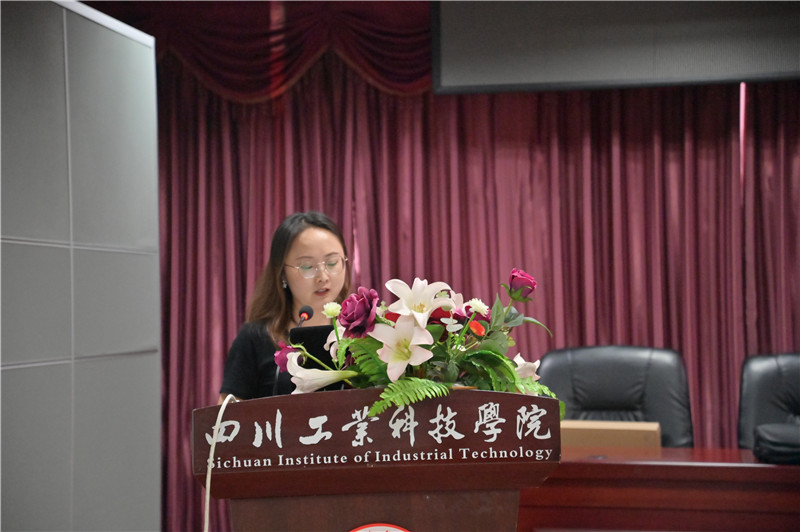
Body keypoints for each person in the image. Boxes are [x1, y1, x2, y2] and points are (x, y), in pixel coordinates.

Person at [218, 211, 351, 404]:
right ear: (282, 273)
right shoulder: (254, 339)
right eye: (307, 266)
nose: (323, 276)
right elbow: (225, 417)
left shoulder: (361, 333)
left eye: (332, 263)